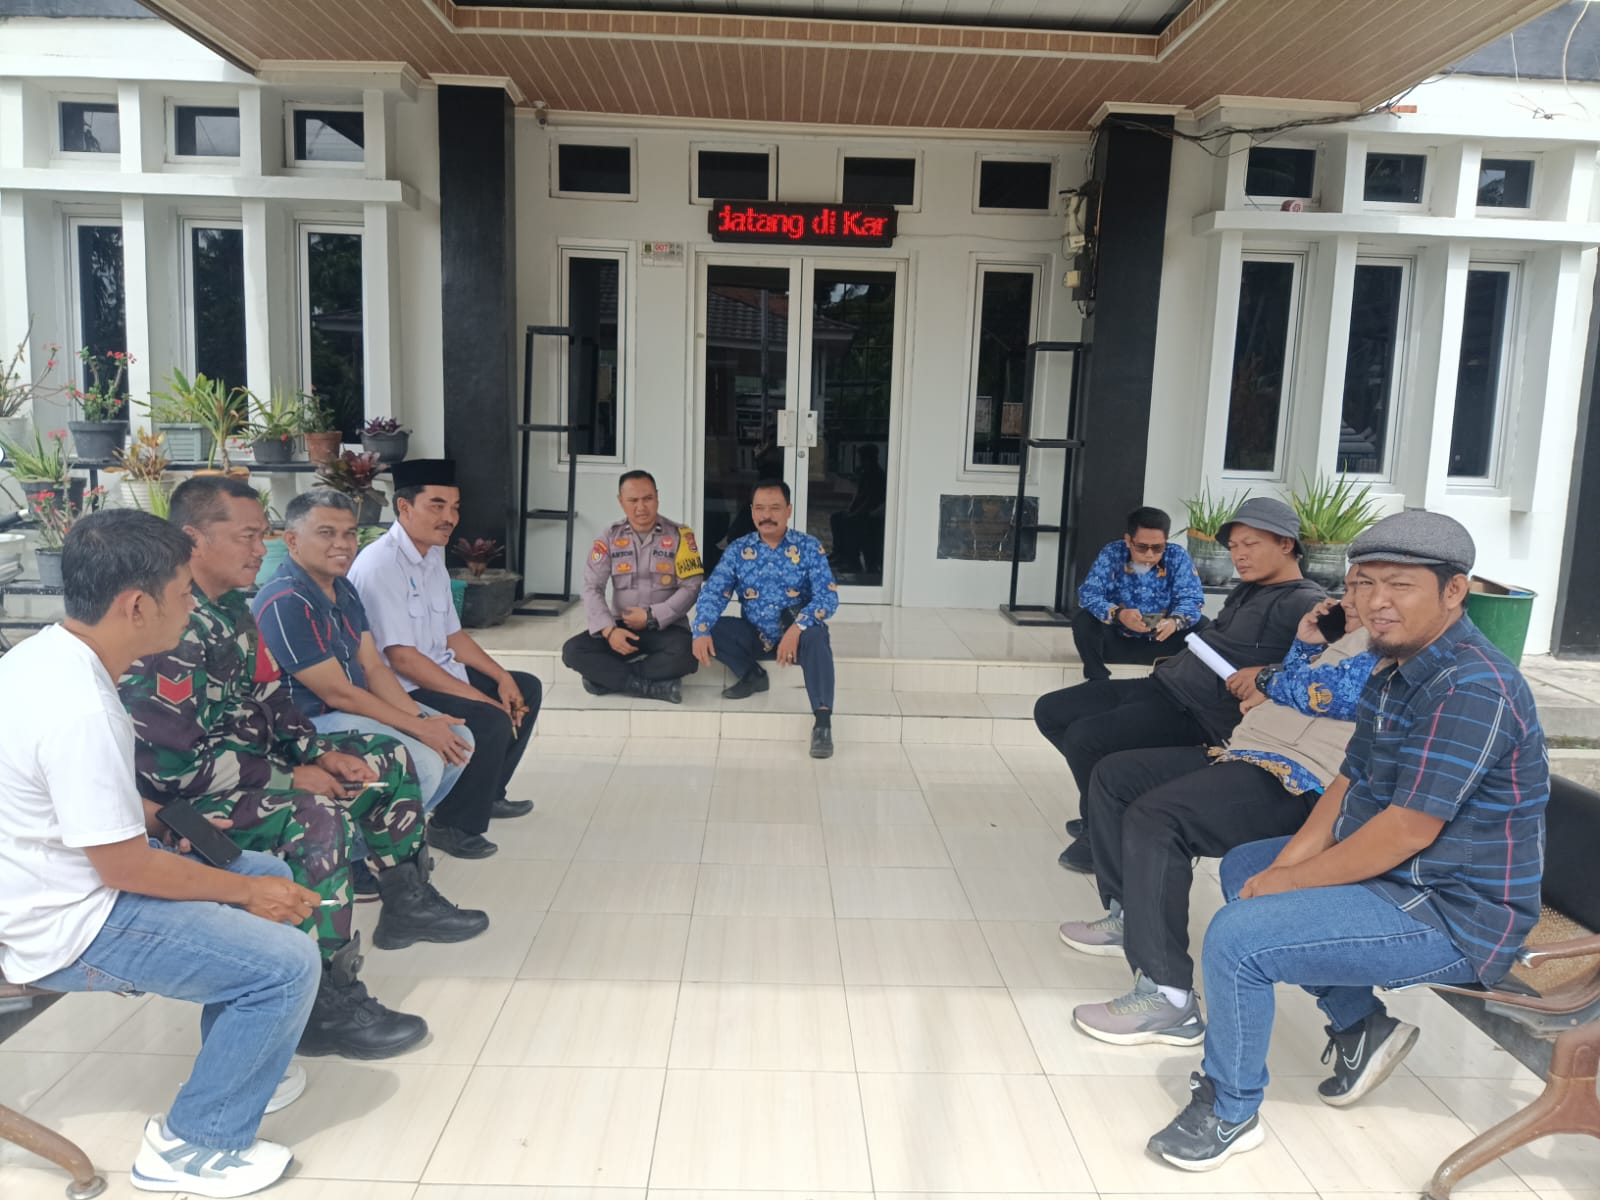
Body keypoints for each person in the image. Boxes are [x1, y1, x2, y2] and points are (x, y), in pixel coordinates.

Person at [1146, 511, 1548, 1171]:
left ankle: (1229, 1109)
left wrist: (1288, 883)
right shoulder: (1396, 667)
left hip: (1453, 912)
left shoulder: (1472, 689)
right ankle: (1362, 1026)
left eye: (1400, 585)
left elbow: (1408, 828)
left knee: (1238, 937)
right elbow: (1350, 779)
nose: (1375, 602)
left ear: (1454, 591)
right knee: (1247, 866)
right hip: (1405, 877)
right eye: (1362, 583)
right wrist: (1284, 868)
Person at [0, 509, 321, 1197]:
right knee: (285, 963)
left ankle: (240, 1070)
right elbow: (123, 867)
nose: (192, 606)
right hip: (66, 921)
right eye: (182, 593)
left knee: (265, 870)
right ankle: (196, 1145)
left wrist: (168, 823)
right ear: (136, 606)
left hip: (60, 876)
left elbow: (71, 804)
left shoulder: (43, 656)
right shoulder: (79, 707)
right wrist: (245, 893)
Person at [120, 475, 488, 1063]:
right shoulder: (164, 625)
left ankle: (406, 903)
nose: (258, 549)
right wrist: (291, 780)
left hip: (247, 771)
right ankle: (324, 1003)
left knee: (381, 758)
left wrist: (316, 753)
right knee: (315, 819)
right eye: (246, 536)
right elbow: (175, 770)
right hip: (183, 808)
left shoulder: (232, 609)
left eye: (260, 535)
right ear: (193, 539)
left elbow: (273, 703)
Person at [1062, 572, 1377, 1046]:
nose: (1347, 599)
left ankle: (1168, 997)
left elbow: (1328, 692)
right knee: (1115, 777)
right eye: (1349, 587)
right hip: (1248, 753)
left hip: (1298, 781)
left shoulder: (1392, 650)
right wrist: (1306, 645)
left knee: (1158, 817)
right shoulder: (1344, 641)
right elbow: (1297, 687)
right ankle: (1131, 914)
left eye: (1363, 587)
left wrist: (1269, 678)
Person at [1035, 497, 1324, 872]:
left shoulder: (1306, 602)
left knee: (1086, 738)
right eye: (1234, 546)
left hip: (1196, 713)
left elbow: (1328, 668)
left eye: (1250, 544)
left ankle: (1101, 834)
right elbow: (1090, 594)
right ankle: (1104, 811)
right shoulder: (1249, 589)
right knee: (1051, 711)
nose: (1239, 555)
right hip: (1165, 685)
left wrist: (1268, 675)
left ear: (1286, 544)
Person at [252, 489, 478, 836]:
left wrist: (420, 721)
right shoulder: (288, 600)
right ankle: (366, 851)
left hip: (350, 710)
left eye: (349, 533)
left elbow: (373, 667)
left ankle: (398, 836)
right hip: (307, 723)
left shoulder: (343, 588)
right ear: (292, 541)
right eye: (326, 533)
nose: (342, 544)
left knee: (458, 739)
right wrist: (418, 729)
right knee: (422, 762)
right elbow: (338, 693)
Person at [347, 459, 541, 860]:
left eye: (454, 507)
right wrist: (481, 699)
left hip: (436, 671)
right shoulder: (380, 564)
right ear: (404, 507)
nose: (449, 518)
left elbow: (453, 635)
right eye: (437, 506)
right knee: (489, 717)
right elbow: (402, 659)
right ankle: (451, 825)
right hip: (401, 689)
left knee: (525, 689)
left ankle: (487, 794)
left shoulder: (432, 554)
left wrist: (501, 677)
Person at [693, 479, 839, 759]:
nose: (767, 515)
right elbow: (714, 593)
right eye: (760, 508)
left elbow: (828, 597)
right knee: (711, 627)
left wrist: (797, 628)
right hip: (756, 635)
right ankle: (752, 675)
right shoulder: (738, 550)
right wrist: (700, 630)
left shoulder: (808, 547)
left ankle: (822, 723)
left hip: (798, 638)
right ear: (751, 512)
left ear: (789, 510)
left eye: (775, 508)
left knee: (818, 635)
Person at [561, 469, 704, 703]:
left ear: (657, 497)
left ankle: (609, 680)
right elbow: (592, 587)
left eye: (648, 498)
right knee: (573, 651)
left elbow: (691, 587)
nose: (641, 507)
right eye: (633, 500)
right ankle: (649, 686)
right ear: (621, 501)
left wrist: (651, 616)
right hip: (621, 628)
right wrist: (609, 631)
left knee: (687, 653)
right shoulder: (609, 536)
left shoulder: (680, 535)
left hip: (666, 628)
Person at [1071, 506, 1204, 682]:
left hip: (1162, 639)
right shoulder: (1112, 553)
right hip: (1118, 638)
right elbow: (1088, 594)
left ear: (1166, 541)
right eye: (1141, 547)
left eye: (1157, 548)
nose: (1149, 555)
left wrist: (1174, 622)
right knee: (1083, 619)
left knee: (1203, 626)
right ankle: (1097, 680)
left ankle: (1189, 681)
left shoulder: (1177, 556)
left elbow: (1192, 599)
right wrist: (1118, 614)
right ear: (1129, 540)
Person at [828, 443, 887, 576]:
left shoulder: (877, 475)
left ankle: (853, 562)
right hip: (862, 510)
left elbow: (870, 500)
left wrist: (854, 513)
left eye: (863, 458)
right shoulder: (865, 473)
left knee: (851, 523)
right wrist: (850, 510)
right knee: (837, 517)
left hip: (872, 514)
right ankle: (839, 553)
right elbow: (859, 495)